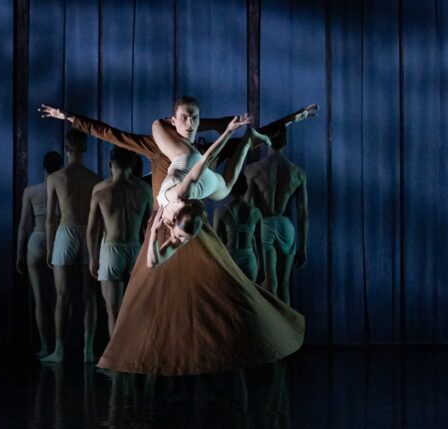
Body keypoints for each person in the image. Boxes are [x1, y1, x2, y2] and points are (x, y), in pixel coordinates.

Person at [39, 99, 307, 375]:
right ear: (174, 120)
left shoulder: (199, 152)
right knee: (147, 294)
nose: (190, 125)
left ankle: (217, 349)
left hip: (190, 222)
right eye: (184, 119)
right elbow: (111, 134)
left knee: (219, 286)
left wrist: (290, 120)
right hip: (167, 220)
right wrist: (69, 117)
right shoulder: (156, 145)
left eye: (195, 120)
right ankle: (135, 357)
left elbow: (248, 140)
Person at [147, 99, 271, 266]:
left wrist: (153, 234)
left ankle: (248, 139)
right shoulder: (183, 206)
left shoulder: (182, 212)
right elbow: (205, 160)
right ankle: (248, 139)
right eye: (182, 237)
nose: (178, 240)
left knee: (157, 125)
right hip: (193, 170)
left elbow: (153, 262)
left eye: (180, 237)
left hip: (191, 172)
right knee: (225, 189)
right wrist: (228, 131)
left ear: (176, 220)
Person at [244, 105, 316, 304]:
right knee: (284, 284)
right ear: (285, 141)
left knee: (269, 281)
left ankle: (270, 323)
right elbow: (302, 212)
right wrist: (303, 247)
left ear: (267, 140)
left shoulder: (253, 170)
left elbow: (248, 207)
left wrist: (247, 241)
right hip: (286, 226)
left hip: (265, 224)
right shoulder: (297, 172)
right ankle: (286, 323)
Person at [43, 130, 101, 363]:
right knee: (90, 294)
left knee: (61, 294)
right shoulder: (95, 179)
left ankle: (59, 350)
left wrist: (49, 247)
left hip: (66, 230)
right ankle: (88, 350)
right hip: (88, 232)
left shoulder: (55, 178)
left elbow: (50, 218)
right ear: (85, 148)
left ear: (66, 148)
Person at [87, 147, 153, 336]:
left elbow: (92, 231)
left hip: (111, 250)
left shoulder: (101, 193)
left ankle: (116, 353)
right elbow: (150, 228)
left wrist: (93, 258)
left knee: (113, 311)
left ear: (110, 164)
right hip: (135, 249)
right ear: (132, 163)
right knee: (137, 308)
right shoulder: (144, 191)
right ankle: (134, 351)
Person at [16, 151, 63, 358]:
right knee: (60, 297)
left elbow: (23, 225)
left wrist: (19, 253)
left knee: (39, 299)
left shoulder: (31, 191)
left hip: (36, 240)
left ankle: (45, 346)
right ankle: (60, 346)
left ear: (43, 168)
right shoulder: (61, 189)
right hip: (57, 241)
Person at [213, 175, 263, 282]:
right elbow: (259, 243)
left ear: (230, 188)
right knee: (248, 292)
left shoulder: (221, 212)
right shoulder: (256, 212)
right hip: (248, 258)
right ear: (246, 188)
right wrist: (262, 267)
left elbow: (216, 241)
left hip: (230, 257)